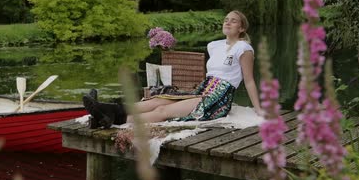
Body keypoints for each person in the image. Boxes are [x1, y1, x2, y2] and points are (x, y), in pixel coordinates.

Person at [83, 10, 262, 128]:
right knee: (158, 100)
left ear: (242, 28)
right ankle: (109, 110)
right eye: (226, 20)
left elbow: (249, 80)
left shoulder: (244, 48)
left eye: (233, 21)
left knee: (162, 112)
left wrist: (258, 109)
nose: (228, 23)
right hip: (203, 89)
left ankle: (116, 121)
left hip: (218, 96)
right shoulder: (213, 45)